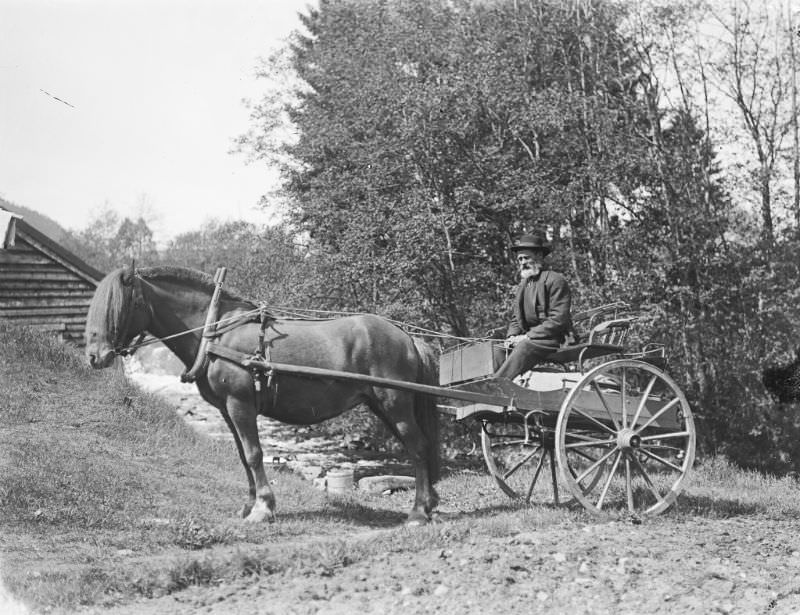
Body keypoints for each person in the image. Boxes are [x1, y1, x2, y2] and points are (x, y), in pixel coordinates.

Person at [493, 230, 572, 381]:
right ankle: (500, 387)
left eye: (526, 258)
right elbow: (516, 318)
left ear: (539, 257)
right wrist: (512, 337)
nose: (522, 262)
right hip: (531, 339)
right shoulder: (524, 284)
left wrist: (527, 336)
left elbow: (558, 320)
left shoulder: (556, 281)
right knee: (498, 350)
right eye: (520, 259)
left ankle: (497, 387)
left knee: (524, 347)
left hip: (553, 339)